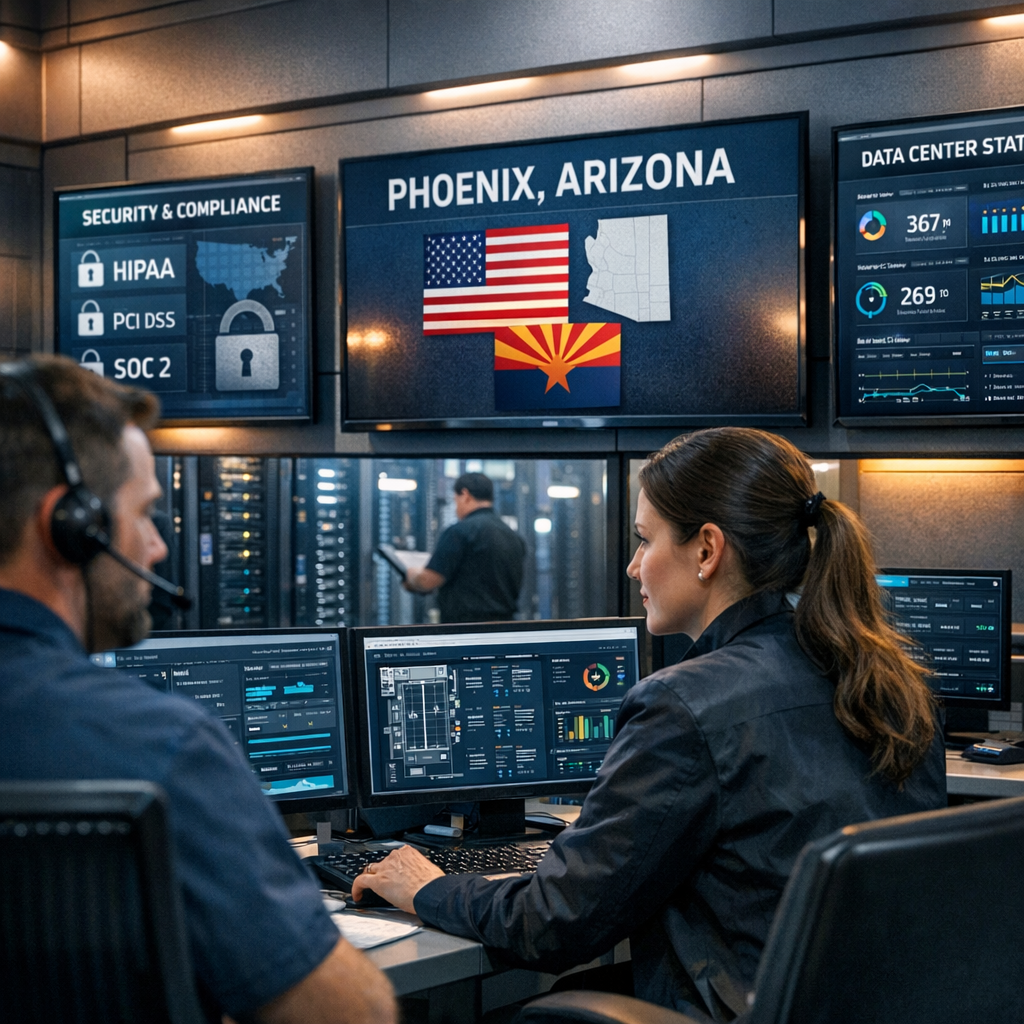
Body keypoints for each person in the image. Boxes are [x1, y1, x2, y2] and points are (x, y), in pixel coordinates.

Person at [353, 427, 947, 1021]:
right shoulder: (890, 683)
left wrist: (428, 886)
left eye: (645, 540)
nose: (635, 567)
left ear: (707, 550)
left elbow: (553, 925)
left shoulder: (684, 704)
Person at [0, 355, 395, 1024]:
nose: (156, 547)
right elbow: (351, 1014)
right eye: (146, 515)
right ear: (70, 527)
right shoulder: (160, 748)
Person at [405, 471, 526, 622]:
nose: (456, 509)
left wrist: (411, 575)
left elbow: (428, 581)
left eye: (455, 500)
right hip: (504, 629)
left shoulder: (459, 532)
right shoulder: (513, 537)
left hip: (466, 630)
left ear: (465, 494)